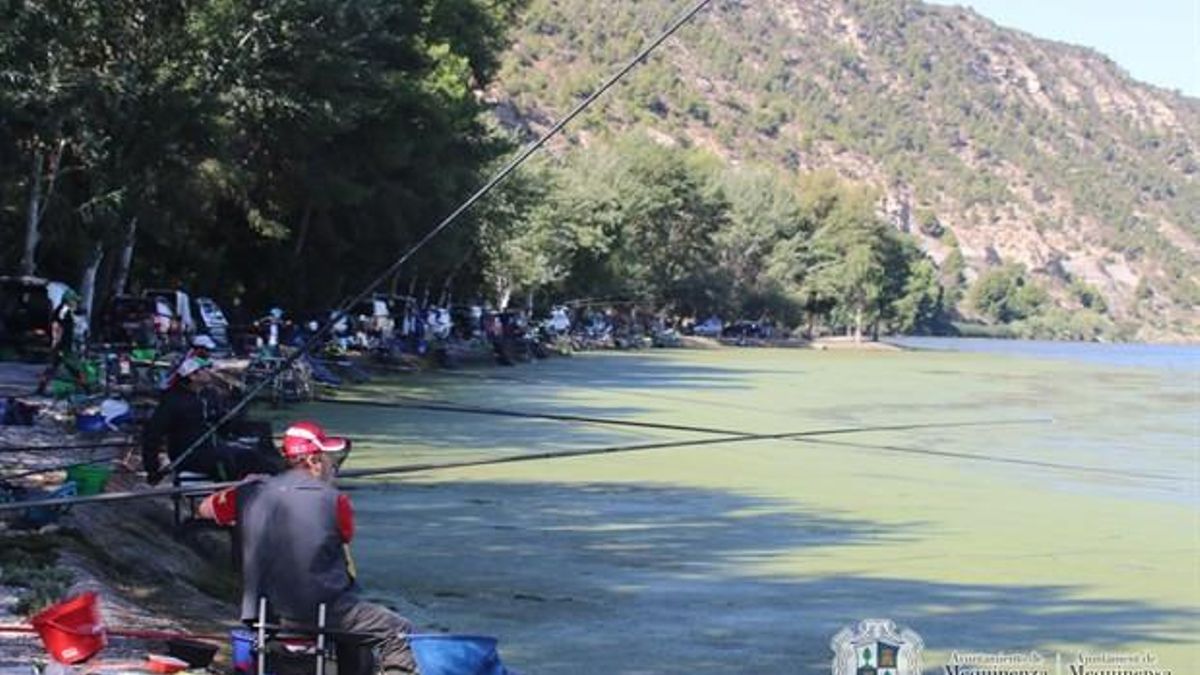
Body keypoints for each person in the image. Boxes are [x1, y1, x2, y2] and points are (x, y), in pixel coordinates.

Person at [199, 421, 420, 674]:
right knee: (396, 630)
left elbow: (205, 509)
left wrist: (244, 487)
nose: (330, 465)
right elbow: (345, 535)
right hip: (321, 610)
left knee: (353, 630)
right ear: (314, 461)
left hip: (262, 611)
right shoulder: (336, 500)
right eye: (326, 458)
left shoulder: (249, 492)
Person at [141, 357, 282, 484]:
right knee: (228, 461)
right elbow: (151, 436)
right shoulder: (172, 402)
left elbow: (222, 426)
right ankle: (230, 498)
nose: (208, 371)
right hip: (188, 455)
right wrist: (152, 469)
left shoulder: (209, 395)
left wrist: (230, 417)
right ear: (192, 376)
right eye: (203, 369)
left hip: (214, 447)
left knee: (252, 454)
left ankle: (283, 479)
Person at [35, 290, 85, 395]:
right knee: (75, 367)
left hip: (62, 345)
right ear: (68, 300)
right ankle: (84, 389)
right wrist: (57, 343)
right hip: (63, 346)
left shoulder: (63, 310)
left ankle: (41, 387)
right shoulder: (64, 311)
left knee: (54, 367)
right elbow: (57, 327)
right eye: (74, 301)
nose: (76, 303)